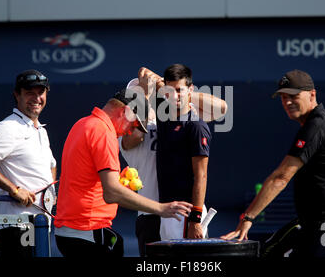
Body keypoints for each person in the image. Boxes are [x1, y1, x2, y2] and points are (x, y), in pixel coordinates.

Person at [222, 69, 325, 257]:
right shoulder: (324, 123)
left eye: (294, 96)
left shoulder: (316, 127)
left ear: (312, 94)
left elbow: (281, 178)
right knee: (270, 249)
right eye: (283, 97)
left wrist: (248, 218)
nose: (288, 102)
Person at [53, 88, 193, 258]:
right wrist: (160, 208)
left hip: (70, 232)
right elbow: (111, 193)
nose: (129, 132)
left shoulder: (83, 123)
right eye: (133, 125)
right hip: (87, 232)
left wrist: (117, 182)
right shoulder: (104, 132)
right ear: (125, 111)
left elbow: (87, 178)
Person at [119, 67, 227, 255]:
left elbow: (221, 108)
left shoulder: (176, 119)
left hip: (179, 210)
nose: (147, 96)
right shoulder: (127, 132)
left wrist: (171, 89)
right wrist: (146, 96)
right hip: (149, 213)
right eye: (137, 96)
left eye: (148, 93)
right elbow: (135, 136)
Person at [0, 69, 57, 258]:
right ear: (17, 95)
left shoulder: (40, 130)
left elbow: (51, 163)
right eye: (29, 93)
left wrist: (49, 193)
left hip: (40, 222)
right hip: (17, 223)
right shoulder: (7, 128)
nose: (36, 98)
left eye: (40, 92)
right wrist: (14, 189)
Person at [153, 64, 213, 240]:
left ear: (191, 90)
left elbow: (201, 176)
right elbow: (145, 72)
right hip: (167, 211)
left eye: (180, 90)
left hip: (186, 214)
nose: (175, 96)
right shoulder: (163, 116)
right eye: (170, 91)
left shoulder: (196, 126)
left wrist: (194, 220)